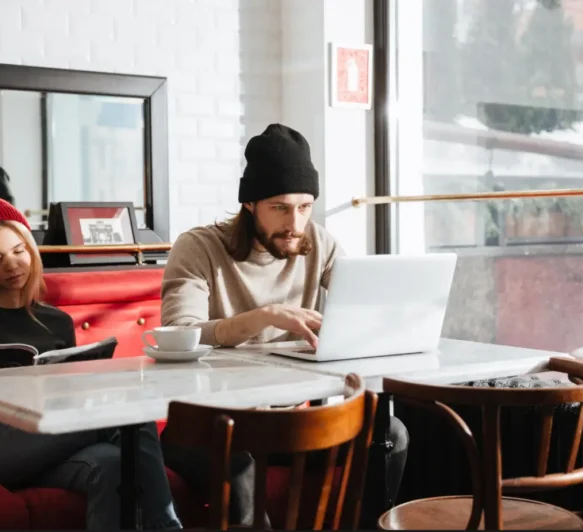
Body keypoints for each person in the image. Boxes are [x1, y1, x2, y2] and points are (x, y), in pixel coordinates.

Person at [159, 124, 409, 526]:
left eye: (305, 206)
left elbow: (363, 308)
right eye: (280, 207)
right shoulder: (199, 247)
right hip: (207, 427)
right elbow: (178, 332)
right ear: (250, 204)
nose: (296, 222)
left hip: (288, 423)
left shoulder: (319, 244)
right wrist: (262, 317)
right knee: (239, 467)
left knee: (390, 434)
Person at [0, 191, 182, 531]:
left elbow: (69, 398)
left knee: (112, 464)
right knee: (128, 415)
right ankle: (166, 526)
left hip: (39, 443)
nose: (12, 265)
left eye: (18, 251)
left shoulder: (55, 321)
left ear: (30, 249)